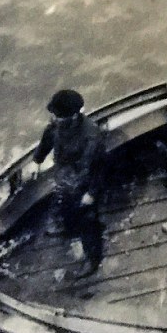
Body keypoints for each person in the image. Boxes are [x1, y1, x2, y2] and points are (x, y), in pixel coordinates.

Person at [32, 89, 105, 279]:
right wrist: (37, 159)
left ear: (73, 116)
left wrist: (92, 193)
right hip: (64, 178)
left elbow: (99, 168)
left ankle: (92, 258)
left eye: (59, 117)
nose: (55, 120)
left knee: (88, 221)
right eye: (54, 116)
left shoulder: (91, 136)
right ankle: (68, 229)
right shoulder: (56, 126)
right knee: (66, 208)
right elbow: (47, 142)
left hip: (84, 183)